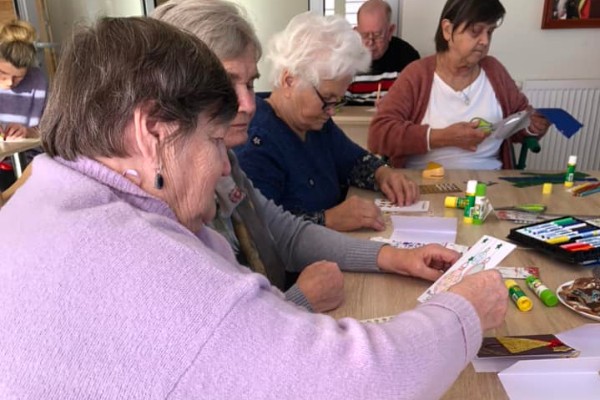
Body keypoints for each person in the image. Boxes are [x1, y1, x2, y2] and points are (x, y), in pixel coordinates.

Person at [0, 16, 509, 399]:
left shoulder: (48, 197)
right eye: (216, 140)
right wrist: (465, 310)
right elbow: (361, 382)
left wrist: (388, 257)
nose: (227, 166)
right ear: (154, 131)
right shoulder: (135, 252)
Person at [154, 0, 434, 313]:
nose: (247, 103)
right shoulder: (246, 148)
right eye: (226, 83)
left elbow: (284, 232)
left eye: (249, 83)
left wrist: (396, 257)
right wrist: (298, 301)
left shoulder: (228, 162)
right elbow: (219, 328)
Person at [235, 12, 419, 234]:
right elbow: (263, 231)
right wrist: (328, 219)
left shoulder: (314, 124)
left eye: (337, 101)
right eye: (326, 99)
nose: (331, 111)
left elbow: (354, 160)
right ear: (289, 80)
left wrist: (383, 173)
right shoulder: (256, 143)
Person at [368, 0, 551, 170]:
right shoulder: (417, 75)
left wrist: (531, 127)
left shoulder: (494, 71)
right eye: (475, 31)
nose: (485, 41)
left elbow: (518, 123)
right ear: (448, 30)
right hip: (423, 185)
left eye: (490, 32)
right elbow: (379, 135)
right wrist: (442, 137)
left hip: (489, 185)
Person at [345, 0, 420, 105]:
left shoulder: (407, 57)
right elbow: (337, 106)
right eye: (364, 35)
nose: (370, 43)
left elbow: (418, 103)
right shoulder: (346, 57)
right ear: (356, 32)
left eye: (377, 35)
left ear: (390, 31)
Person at [0, 19, 47, 140]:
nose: (10, 82)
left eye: (19, 77)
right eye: (2, 73)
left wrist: (28, 132)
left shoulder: (37, 80)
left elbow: (51, 130)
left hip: (28, 154)